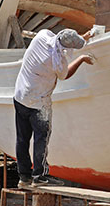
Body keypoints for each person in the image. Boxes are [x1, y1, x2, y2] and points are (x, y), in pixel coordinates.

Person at [14, 28, 94, 187]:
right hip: (39, 104)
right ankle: (40, 176)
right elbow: (65, 75)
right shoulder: (58, 62)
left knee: (22, 139)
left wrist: (82, 37)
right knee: (41, 138)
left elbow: (61, 42)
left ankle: (24, 177)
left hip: (20, 96)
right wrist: (81, 59)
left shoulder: (42, 36)